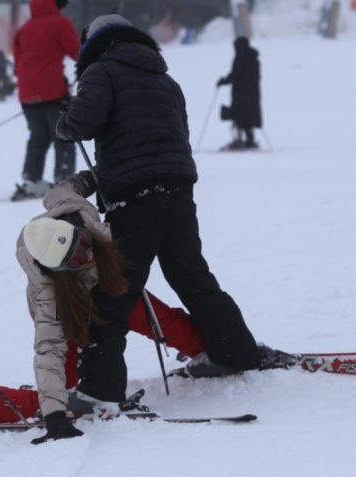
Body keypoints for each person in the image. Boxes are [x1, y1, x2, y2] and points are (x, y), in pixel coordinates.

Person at [0, 175, 292, 443]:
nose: (88, 257)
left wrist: (107, 175)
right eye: (76, 261)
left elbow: (71, 184)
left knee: (161, 319)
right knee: (68, 402)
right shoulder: (48, 291)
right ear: (57, 269)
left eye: (86, 246)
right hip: (75, 311)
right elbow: (48, 350)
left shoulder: (71, 208)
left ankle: (214, 353)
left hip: (112, 288)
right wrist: (55, 415)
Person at [54, 14, 294, 428]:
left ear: (92, 44)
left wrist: (66, 116)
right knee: (191, 274)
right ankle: (236, 352)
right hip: (178, 190)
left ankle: (99, 390)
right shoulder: (166, 80)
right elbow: (177, 134)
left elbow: (81, 123)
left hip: (134, 195)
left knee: (115, 289)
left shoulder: (101, 71)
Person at [11, 0, 80, 201]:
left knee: (38, 137)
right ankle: (64, 180)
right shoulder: (60, 23)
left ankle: (31, 180)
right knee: (63, 136)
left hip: (27, 94)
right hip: (53, 92)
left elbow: (17, 64)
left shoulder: (24, 29)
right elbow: (78, 53)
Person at [217, 37, 262, 150]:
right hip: (253, 93)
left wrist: (224, 81)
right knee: (247, 117)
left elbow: (235, 74)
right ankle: (248, 139)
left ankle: (240, 140)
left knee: (239, 116)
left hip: (241, 93)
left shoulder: (241, 57)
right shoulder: (254, 58)